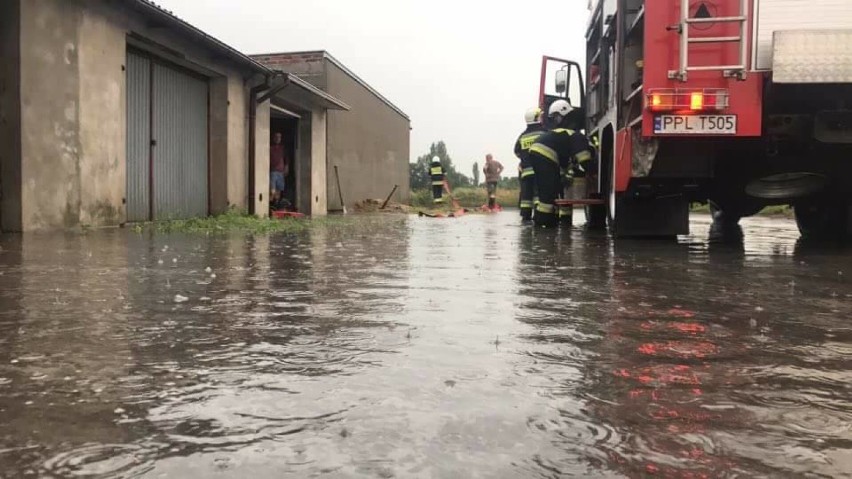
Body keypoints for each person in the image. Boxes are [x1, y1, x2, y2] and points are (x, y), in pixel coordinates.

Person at [528, 99, 595, 228]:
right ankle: (543, 225)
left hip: (538, 154)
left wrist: (565, 177)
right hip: (545, 156)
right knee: (547, 195)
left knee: (549, 191)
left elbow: (566, 164)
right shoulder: (577, 136)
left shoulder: (561, 135)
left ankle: (546, 224)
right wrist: (593, 171)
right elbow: (585, 160)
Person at [513, 107, 546, 221]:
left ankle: (525, 217)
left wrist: (524, 158)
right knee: (538, 195)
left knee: (526, 198)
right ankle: (537, 216)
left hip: (526, 172)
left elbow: (516, 151)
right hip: (540, 170)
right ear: (536, 118)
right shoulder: (543, 133)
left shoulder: (523, 136)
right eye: (540, 116)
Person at [270, 132, 289, 209]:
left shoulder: (283, 148)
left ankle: (276, 205)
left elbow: (286, 159)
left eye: (279, 137)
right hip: (273, 171)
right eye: (276, 137)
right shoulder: (270, 148)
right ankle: (271, 205)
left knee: (279, 190)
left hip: (280, 171)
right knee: (272, 190)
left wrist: (286, 168)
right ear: (273, 138)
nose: (278, 139)